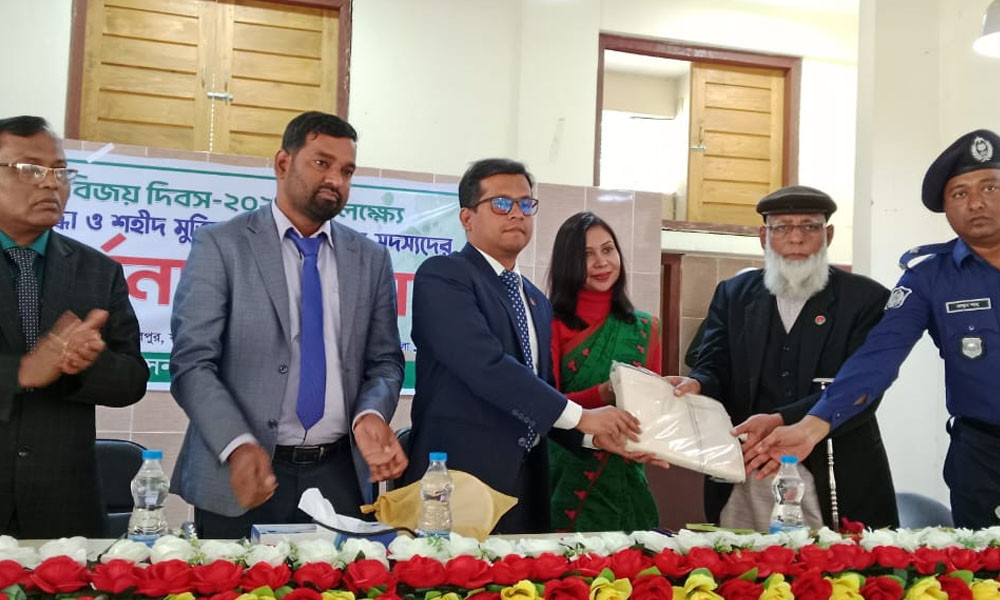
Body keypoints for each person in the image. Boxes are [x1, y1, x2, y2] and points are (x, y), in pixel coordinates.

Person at [170, 111, 407, 538]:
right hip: (243, 473)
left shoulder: (370, 259)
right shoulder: (222, 245)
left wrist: (370, 413)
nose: (335, 179)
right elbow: (192, 364)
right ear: (283, 163)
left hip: (339, 475)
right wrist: (237, 444)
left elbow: (385, 361)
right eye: (322, 163)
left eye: (347, 171)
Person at [751, 130, 1000, 529]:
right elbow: (876, 359)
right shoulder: (927, 279)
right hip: (984, 456)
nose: (975, 203)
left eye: (990, 187)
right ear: (945, 208)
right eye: (959, 193)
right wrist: (812, 427)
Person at [402, 158, 644, 533]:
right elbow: (485, 367)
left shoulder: (536, 300)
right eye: (501, 203)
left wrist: (593, 437)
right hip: (459, 482)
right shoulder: (444, 276)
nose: (517, 213)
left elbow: (538, 394)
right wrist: (582, 416)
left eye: (526, 204)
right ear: (467, 217)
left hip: (528, 486)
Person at [670, 185, 898, 531]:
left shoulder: (865, 299)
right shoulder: (734, 295)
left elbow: (862, 388)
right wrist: (697, 383)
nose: (796, 238)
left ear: (828, 235)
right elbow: (713, 364)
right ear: (764, 237)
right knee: (742, 561)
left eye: (809, 226)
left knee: (839, 565)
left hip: (834, 468)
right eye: (782, 227)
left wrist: (782, 419)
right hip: (750, 466)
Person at [0, 115, 148, 538]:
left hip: (65, 510)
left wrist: (89, 363)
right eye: (30, 169)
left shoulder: (98, 271)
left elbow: (132, 380)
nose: (51, 184)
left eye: (61, 172)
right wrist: (21, 372)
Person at [547, 211, 662, 532]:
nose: (601, 262)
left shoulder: (645, 327)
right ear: (567, 262)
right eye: (586, 254)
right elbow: (545, 404)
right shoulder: (549, 323)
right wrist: (605, 392)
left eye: (608, 249)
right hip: (565, 473)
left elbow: (651, 409)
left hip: (626, 475)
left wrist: (652, 442)